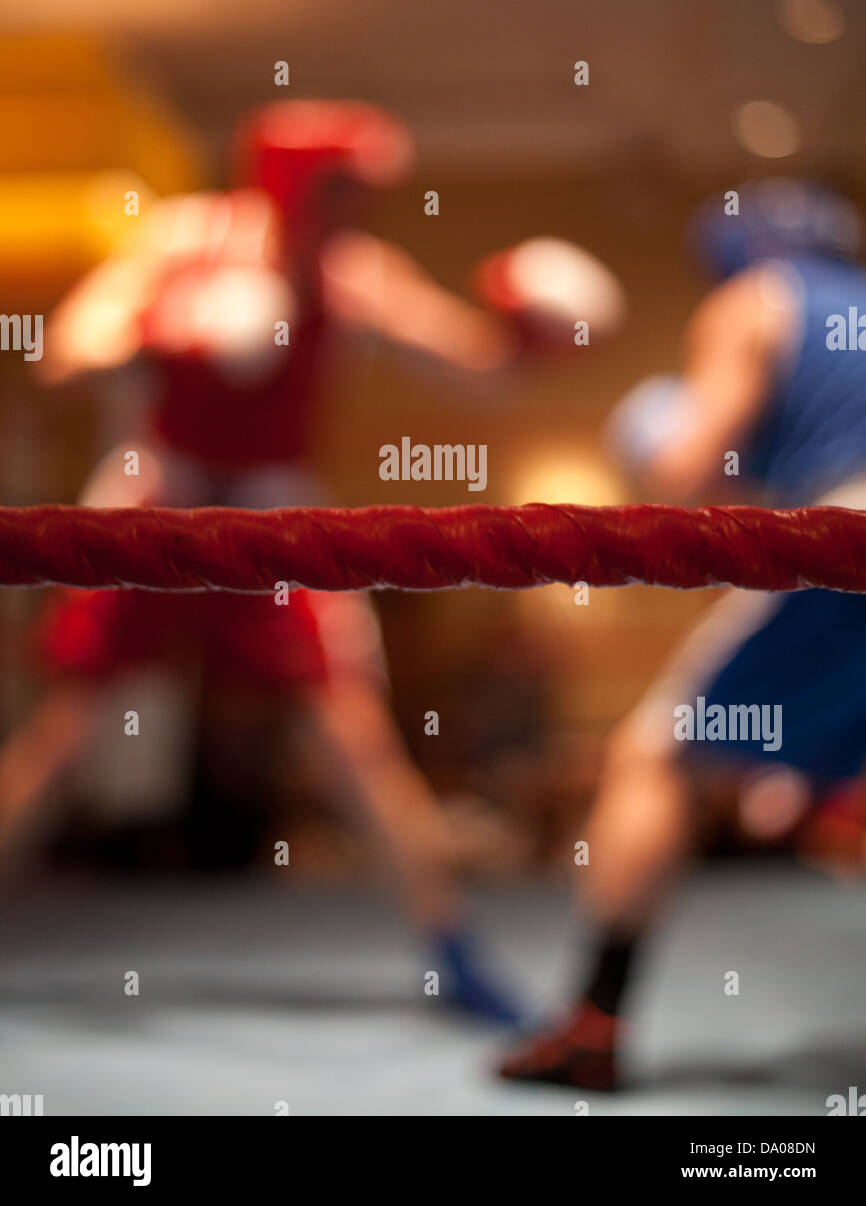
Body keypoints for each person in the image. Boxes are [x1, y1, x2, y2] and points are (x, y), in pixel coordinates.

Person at [0, 100, 624, 1024]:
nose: (359, 206)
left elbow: (477, 363)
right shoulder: (184, 241)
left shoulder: (355, 275)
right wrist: (165, 333)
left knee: (353, 733)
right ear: (295, 181)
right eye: (343, 186)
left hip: (270, 512)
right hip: (157, 499)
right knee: (64, 733)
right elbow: (63, 355)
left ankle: (451, 947)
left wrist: (534, 338)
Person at [498, 178, 866, 1085]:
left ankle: (593, 1024)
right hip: (835, 526)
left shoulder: (757, 299)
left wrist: (648, 428)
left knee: (655, 758)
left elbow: (686, 467)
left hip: (849, 544)